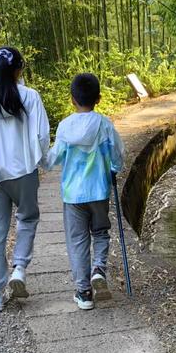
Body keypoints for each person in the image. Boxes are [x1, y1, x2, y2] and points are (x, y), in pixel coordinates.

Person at [0, 47, 50, 312]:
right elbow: (41, 136)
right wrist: (43, 161)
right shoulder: (31, 97)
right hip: (24, 173)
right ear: (19, 70)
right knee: (28, 219)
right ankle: (19, 269)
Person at [47, 72, 124, 310]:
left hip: (73, 195)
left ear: (72, 99)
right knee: (100, 232)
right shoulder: (104, 124)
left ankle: (83, 293)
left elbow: (52, 159)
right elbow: (118, 154)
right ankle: (99, 268)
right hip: (99, 191)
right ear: (98, 98)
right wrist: (115, 168)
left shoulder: (65, 126)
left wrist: (38, 158)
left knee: (78, 240)